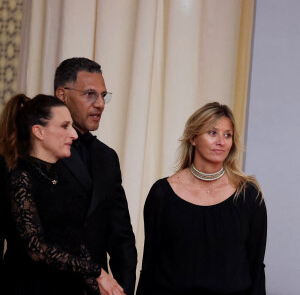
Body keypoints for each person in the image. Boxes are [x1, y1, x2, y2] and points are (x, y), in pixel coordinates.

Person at [136, 102, 267, 295]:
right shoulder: (162, 193)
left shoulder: (248, 195)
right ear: (193, 138)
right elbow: (150, 265)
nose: (221, 141)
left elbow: (255, 266)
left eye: (227, 135)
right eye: (212, 133)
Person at [0, 94, 126, 294]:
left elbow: (74, 241)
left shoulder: (62, 178)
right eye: (64, 126)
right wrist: (96, 272)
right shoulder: (20, 178)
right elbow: (36, 249)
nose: (74, 134)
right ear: (39, 132)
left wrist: (99, 284)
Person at [53, 57, 137, 295]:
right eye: (90, 94)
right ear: (62, 95)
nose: (100, 104)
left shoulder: (107, 157)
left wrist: (124, 289)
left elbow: (121, 237)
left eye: (103, 95)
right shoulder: (33, 148)